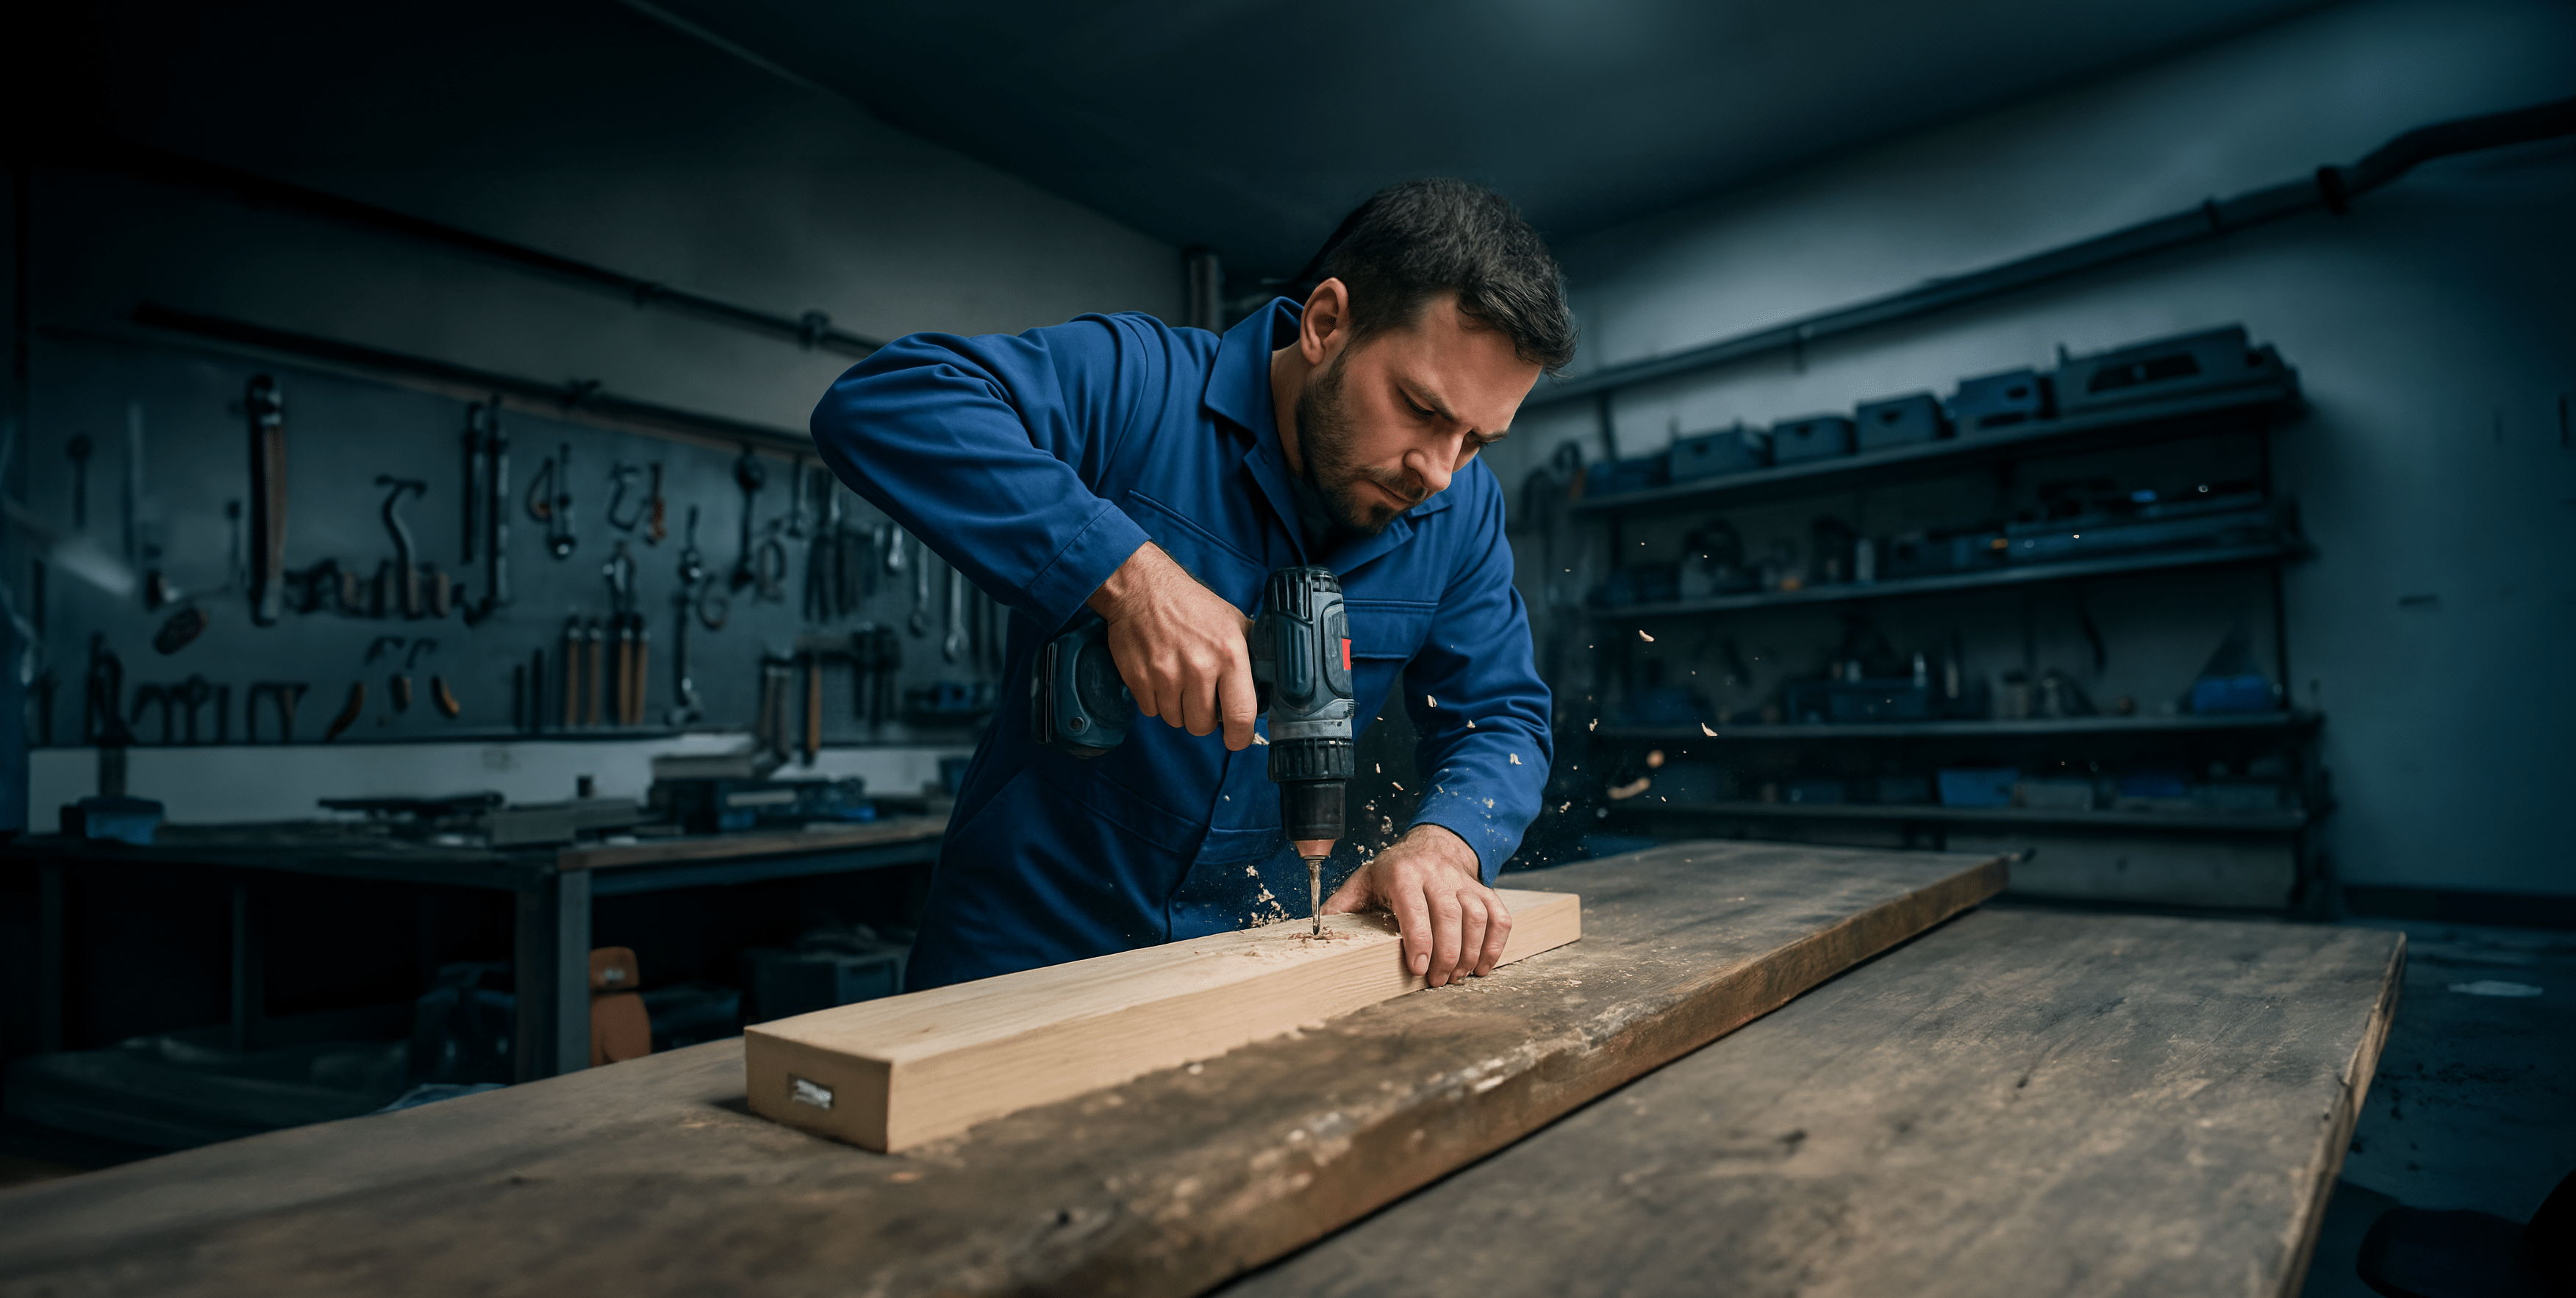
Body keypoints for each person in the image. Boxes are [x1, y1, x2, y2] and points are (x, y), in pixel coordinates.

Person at [811, 178, 1575, 992]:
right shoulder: (1141, 385)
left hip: (1255, 961)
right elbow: (886, 401)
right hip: (1021, 956)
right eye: (1420, 408)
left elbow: (1501, 717)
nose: (1439, 472)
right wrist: (1129, 576)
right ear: (1326, 323)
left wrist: (1447, 843)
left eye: (1475, 441)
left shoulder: (1460, 512)